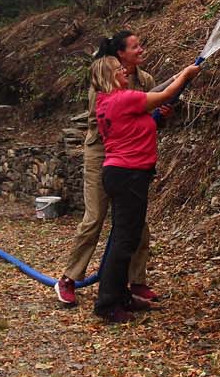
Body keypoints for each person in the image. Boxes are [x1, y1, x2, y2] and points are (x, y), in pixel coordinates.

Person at [91, 54, 200, 323]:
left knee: (125, 238)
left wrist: (157, 119)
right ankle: (108, 304)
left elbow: (140, 124)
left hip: (122, 174)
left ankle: (120, 296)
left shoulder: (107, 102)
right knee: (124, 241)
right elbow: (163, 95)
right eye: (119, 70)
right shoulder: (122, 98)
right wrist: (185, 76)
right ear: (108, 77)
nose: (125, 71)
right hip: (128, 176)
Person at [55, 31, 160, 307]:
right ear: (120, 55)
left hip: (128, 156)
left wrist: (160, 115)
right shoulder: (103, 80)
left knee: (136, 222)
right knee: (95, 217)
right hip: (102, 152)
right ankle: (68, 278)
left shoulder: (145, 80)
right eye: (135, 47)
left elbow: (145, 118)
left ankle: (136, 281)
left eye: (141, 44)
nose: (141, 50)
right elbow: (108, 118)